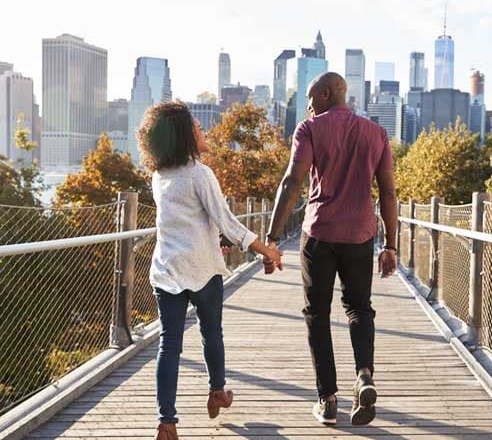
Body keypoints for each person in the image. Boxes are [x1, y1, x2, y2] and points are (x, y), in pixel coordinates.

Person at [137, 101, 282, 440]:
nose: (204, 132)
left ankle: (167, 423)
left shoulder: (159, 177)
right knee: (211, 332)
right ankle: (217, 391)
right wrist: (268, 250)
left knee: (168, 345)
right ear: (185, 137)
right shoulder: (201, 173)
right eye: (198, 128)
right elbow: (228, 222)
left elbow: (185, 219)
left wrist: (219, 237)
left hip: (167, 270)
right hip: (201, 269)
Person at [265, 72, 398, 426]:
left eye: (310, 98)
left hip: (319, 234)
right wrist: (391, 244)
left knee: (317, 314)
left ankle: (327, 399)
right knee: (359, 309)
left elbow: (293, 180)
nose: (308, 106)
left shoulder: (309, 129)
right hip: (360, 235)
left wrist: (273, 236)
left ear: (326, 93)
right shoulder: (377, 133)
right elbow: (388, 193)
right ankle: (365, 375)